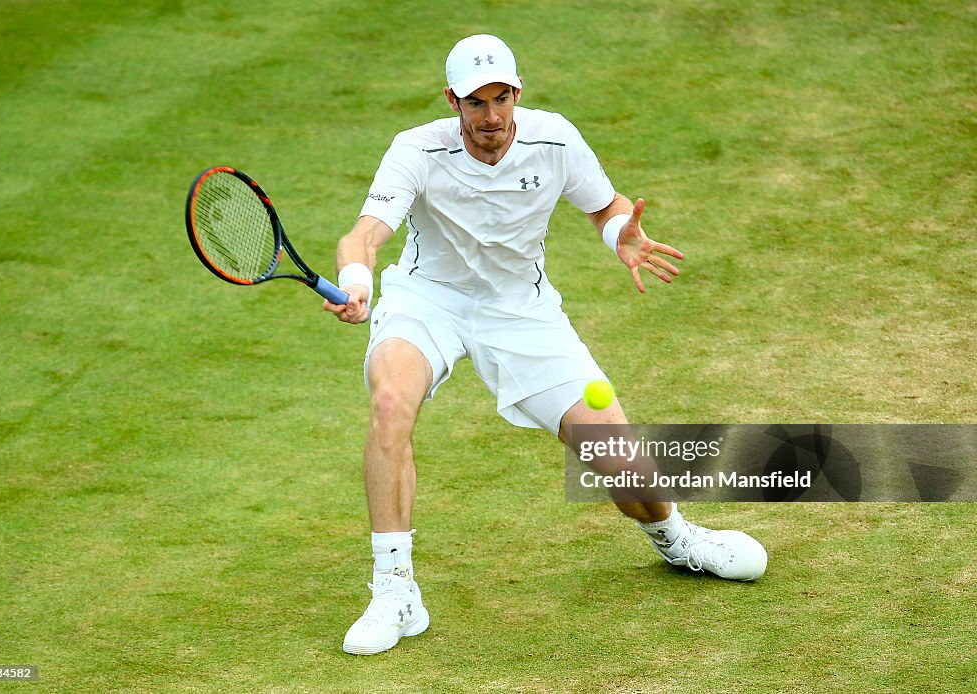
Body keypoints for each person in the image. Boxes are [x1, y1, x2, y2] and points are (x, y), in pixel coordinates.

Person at [323, 34, 768, 656]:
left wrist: (621, 237)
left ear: (518, 94)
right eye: (476, 103)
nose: (491, 118)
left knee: (623, 469)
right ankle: (394, 591)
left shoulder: (555, 138)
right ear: (453, 100)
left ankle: (677, 537)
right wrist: (355, 281)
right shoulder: (416, 150)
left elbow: (605, 206)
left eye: (502, 99)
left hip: (521, 312)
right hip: (428, 299)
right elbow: (364, 236)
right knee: (391, 402)